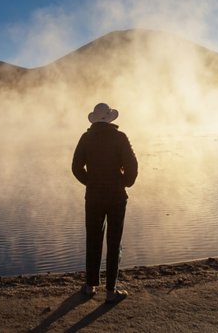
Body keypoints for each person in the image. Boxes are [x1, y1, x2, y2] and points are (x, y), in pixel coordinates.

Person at [71, 102, 138, 304]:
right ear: (110, 119)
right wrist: (124, 183)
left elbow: (76, 167)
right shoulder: (120, 137)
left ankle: (90, 286)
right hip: (116, 197)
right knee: (114, 241)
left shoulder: (86, 138)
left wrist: (90, 182)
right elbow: (132, 166)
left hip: (93, 197)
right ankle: (111, 291)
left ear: (94, 119)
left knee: (93, 239)